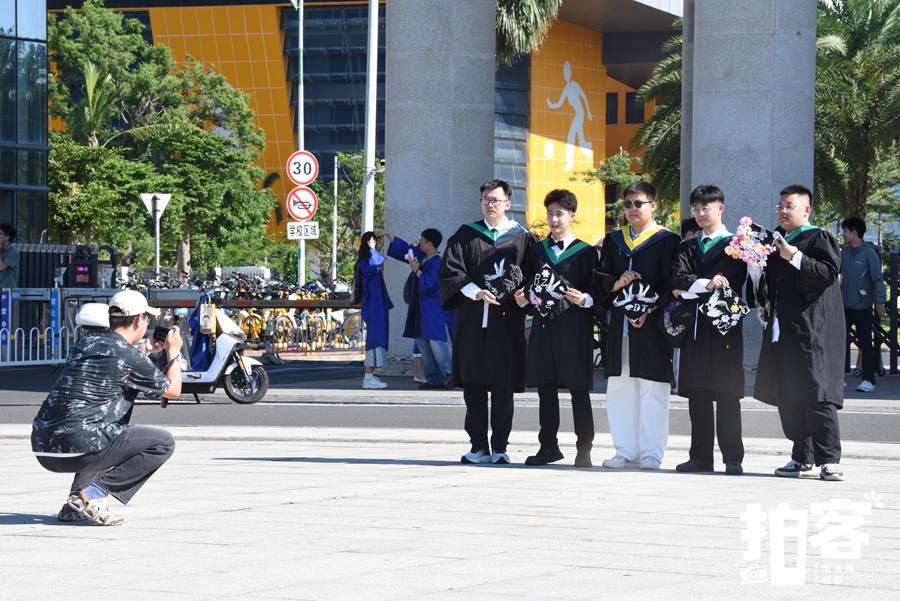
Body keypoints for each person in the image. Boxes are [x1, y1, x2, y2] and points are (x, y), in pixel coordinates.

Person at [31, 290, 183, 526]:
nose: (148, 324)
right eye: (147, 319)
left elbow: (115, 364)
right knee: (163, 442)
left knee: (99, 429)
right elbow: (173, 390)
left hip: (44, 447)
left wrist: (143, 350)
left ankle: (73, 505)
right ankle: (92, 495)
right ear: (138, 320)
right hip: (79, 449)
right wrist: (173, 351)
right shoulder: (130, 358)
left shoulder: (85, 343)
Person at [439, 179, 539, 464]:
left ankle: (501, 448)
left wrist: (525, 294)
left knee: (503, 386)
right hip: (473, 320)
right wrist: (475, 291)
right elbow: (451, 270)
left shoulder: (524, 239)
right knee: (473, 384)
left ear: (508, 203)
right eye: (485, 199)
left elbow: (534, 275)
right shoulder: (466, 234)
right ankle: (478, 446)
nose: (490, 204)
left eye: (495, 200)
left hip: (507, 322)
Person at [754, 184, 845, 481]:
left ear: (806, 210)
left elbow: (828, 273)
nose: (782, 211)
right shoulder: (775, 240)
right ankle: (801, 457)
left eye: (788, 206)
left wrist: (794, 256)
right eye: (779, 206)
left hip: (812, 329)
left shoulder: (818, 238)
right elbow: (768, 284)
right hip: (782, 328)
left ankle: (829, 460)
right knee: (789, 393)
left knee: (816, 393)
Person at [592, 181, 680, 470]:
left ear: (653, 205)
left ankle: (652, 452)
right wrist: (617, 283)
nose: (632, 208)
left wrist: (650, 308)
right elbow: (601, 276)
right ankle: (625, 450)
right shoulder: (614, 240)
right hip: (621, 324)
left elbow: (672, 282)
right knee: (620, 388)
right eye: (628, 204)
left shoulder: (668, 241)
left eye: (638, 203)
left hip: (652, 325)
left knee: (653, 388)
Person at [514, 189, 601, 468]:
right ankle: (548, 447)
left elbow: (597, 290)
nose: (553, 219)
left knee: (578, 390)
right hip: (544, 328)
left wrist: (585, 298)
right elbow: (528, 287)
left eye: (559, 214)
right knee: (546, 389)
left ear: (571, 216)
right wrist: (522, 299)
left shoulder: (586, 252)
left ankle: (584, 449)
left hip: (575, 328)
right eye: (550, 213)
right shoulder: (536, 251)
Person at [671, 185, 747, 475]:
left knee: (727, 393)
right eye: (696, 209)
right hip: (695, 328)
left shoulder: (737, 246)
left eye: (706, 208)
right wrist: (706, 283)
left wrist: (693, 287)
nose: (700, 213)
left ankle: (733, 458)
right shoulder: (688, 246)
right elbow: (677, 279)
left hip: (724, 328)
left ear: (720, 208)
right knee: (698, 393)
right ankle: (701, 457)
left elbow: (733, 281)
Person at [379, 227, 453, 390]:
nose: (419, 244)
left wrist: (417, 270)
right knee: (424, 346)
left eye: (422, 241)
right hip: (420, 310)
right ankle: (434, 379)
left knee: (438, 345)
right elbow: (406, 250)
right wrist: (390, 235)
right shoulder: (423, 258)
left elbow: (428, 284)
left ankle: (452, 376)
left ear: (430, 244)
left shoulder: (437, 263)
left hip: (433, 311)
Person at [840, 217, 887, 393]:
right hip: (844, 307)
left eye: (845, 231)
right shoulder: (844, 252)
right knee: (839, 343)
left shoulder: (869, 253)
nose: (842, 234)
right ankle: (839, 378)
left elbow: (877, 279)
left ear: (854, 233)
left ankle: (868, 381)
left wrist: (879, 302)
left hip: (863, 307)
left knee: (865, 345)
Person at [356, 231, 394, 389]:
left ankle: (370, 376)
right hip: (373, 306)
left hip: (376, 305)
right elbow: (373, 265)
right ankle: (368, 377)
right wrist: (372, 249)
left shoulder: (365, 262)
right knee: (374, 339)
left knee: (376, 338)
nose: (378, 245)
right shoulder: (365, 264)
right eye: (375, 242)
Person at [0, 222, 19, 289]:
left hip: (7, 290)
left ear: (7, 237)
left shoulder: (13, 252)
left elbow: (1, 267)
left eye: (0, 233)